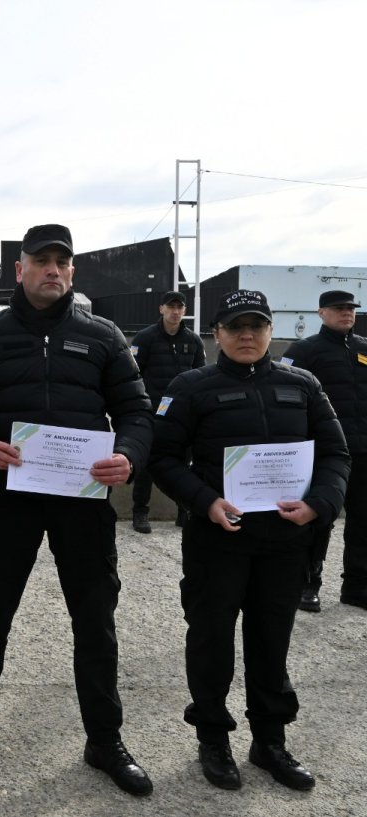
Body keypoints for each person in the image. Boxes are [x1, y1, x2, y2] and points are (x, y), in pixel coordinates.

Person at [0, 224, 155, 796]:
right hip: (11, 497)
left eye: (62, 261)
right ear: (20, 269)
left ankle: (104, 740)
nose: (52, 270)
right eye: (41, 260)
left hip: (83, 500)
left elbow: (136, 412)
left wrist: (128, 455)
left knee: (95, 620)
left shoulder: (103, 336)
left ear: (72, 270)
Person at [149, 289, 349, 791]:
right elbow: (163, 457)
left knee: (271, 642)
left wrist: (318, 505)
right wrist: (205, 501)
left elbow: (335, 455)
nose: (246, 335)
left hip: (284, 543)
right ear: (216, 333)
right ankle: (213, 738)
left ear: (269, 331)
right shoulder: (191, 386)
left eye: (256, 326)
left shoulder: (302, 385)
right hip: (217, 540)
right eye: (235, 327)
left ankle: (270, 741)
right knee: (211, 640)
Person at [280, 289, 367, 613]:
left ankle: (356, 586)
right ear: (321, 313)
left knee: (363, 521)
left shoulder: (364, 349)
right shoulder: (304, 351)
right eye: (339, 308)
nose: (347, 313)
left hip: (363, 451)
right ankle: (308, 585)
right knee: (318, 519)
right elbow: (284, 396)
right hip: (323, 453)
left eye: (351, 308)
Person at [128, 290, 206, 533]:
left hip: (183, 415)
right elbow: (133, 374)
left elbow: (201, 377)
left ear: (184, 311)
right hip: (153, 412)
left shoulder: (194, 341)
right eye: (171, 307)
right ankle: (140, 512)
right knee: (146, 465)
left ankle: (184, 512)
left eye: (179, 307)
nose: (175, 311)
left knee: (184, 464)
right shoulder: (145, 338)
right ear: (161, 309)